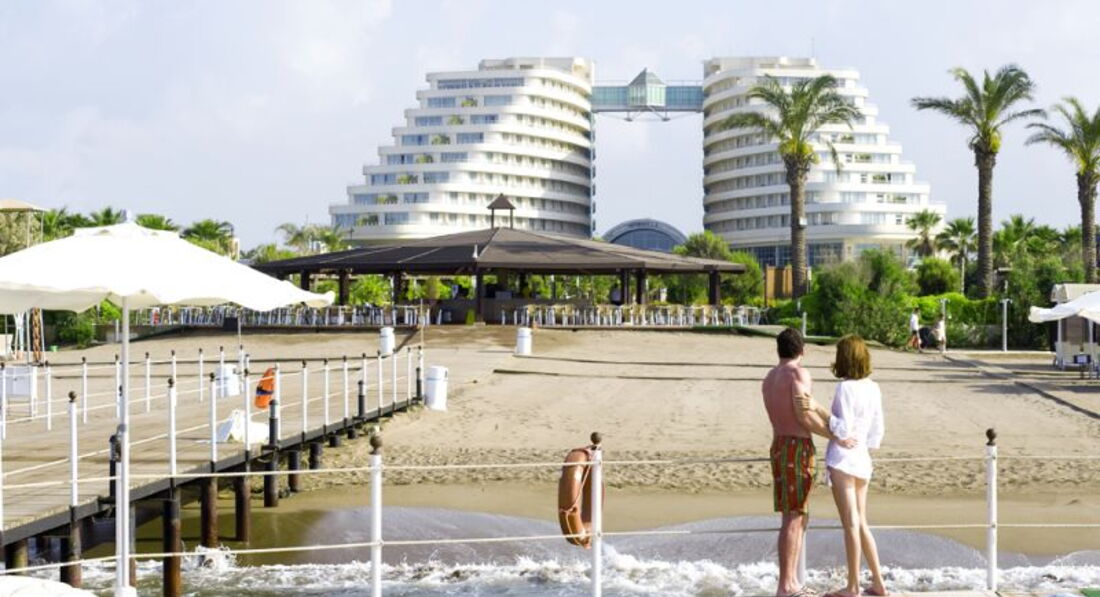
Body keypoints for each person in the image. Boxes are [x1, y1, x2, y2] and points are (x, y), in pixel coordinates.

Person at [762, 328, 855, 597]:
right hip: (796, 447)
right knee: (794, 515)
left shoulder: (769, 378)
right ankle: (787, 585)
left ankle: (792, 581)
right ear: (803, 350)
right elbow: (803, 415)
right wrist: (835, 436)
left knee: (793, 514)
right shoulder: (798, 374)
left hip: (778, 445)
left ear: (779, 349)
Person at [825, 335, 887, 597]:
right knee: (861, 522)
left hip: (843, 458)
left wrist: (820, 411)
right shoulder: (873, 387)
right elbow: (877, 430)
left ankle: (853, 586)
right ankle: (878, 582)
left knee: (851, 523)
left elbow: (842, 428)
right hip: (862, 457)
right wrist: (864, 443)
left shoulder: (845, 388)